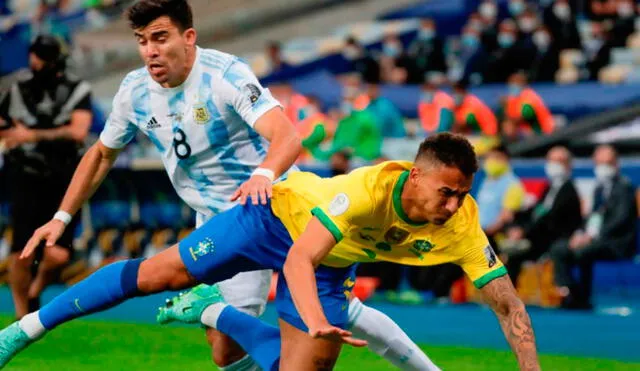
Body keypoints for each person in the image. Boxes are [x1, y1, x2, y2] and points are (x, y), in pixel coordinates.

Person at [0, 1, 436, 370]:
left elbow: (286, 135)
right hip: (219, 221)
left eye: (160, 37)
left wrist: (262, 175)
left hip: (285, 206)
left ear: (188, 37)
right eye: (142, 41)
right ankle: (209, 307)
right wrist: (60, 217)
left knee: (335, 322)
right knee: (225, 352)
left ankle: (201, 306)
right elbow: (100, 154)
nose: (150, 51)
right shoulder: (133, 92)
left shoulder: (225, 74)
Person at [0, 133, 539, 371]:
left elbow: (510, 307)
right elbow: (297, 260)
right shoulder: (368, 192)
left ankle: (212, 310)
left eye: (461, 194)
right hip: (272, 218)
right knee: (158, 275)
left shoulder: (464, 225)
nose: (452, 205)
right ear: (415, 175)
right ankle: (26, 329)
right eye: (445, 191)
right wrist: (314, 321)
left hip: (331, 261)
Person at [0, 34, 92, 319]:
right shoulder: (18, 90)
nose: (36, 62)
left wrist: (31, 134)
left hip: (64, 178)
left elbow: (79, 131)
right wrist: (13, 134)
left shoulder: (77, 90)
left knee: (59, 254)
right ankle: (21, 314)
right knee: (21, 252)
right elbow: (5, 128)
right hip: (26, 177)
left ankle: (35, 288)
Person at [550, 144, 637, 309]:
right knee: (559, 249)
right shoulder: (598, 189)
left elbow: (620, 220)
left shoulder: (624, 188)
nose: (603, 168)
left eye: (607, 163)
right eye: (599, 163)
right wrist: (579, 233)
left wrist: (591, 238)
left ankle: (583, 297)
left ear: (616, 164)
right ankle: (571, 291)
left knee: (585, 252)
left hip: (616, 243)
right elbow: (591, 218)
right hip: (593, 239)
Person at [502, 146, 582, 286]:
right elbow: (537, 211)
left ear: (568, 165)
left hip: (554, 238)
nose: (554, 165)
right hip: (539, 235)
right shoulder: (549, 187)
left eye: (559, 161)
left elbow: (550, 219)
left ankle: (567, 291)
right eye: (551, 160)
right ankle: (506, 295)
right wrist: (515, 225)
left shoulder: (569, 191)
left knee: (518, 253)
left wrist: (524, 232)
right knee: (513, 253)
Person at [476, 145, 525, 245]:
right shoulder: (487, 182)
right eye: (489, 157)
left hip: (494, 238)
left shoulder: (513, 185)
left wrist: (485, 234)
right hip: (479, 234)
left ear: (506, 160)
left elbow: (506, 216)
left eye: (496, 157)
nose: (491, 161)